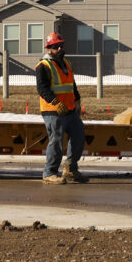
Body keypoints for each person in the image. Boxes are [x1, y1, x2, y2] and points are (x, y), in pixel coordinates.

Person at [37, 33, 87, 184]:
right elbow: (42, 89)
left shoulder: (66, 62)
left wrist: (77, 101)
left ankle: (70, 169)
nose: (59, 48)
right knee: (56, 141)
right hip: (53, 111)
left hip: (70, 109)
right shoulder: (43, 66)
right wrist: (55, 102)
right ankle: (49, 173)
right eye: (55, 46)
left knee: (79, 136)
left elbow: (71, 84)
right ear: (49, 48)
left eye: (60, 45)